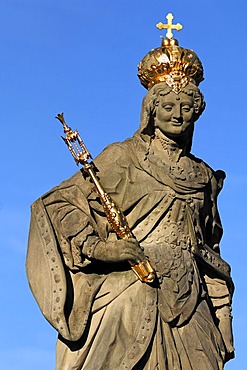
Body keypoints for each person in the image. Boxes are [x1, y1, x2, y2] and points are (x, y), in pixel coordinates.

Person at [26, 28, 234, 370]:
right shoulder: (123, 157)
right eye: (168, 106)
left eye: (185, 106)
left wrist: (221, 307)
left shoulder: (204, 176)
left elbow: (210, 246)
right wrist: (101, 248)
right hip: (130, 290)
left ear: (197, 111)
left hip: (190, 298)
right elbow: (59, 204)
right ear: (151, 109)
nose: (177, 115)